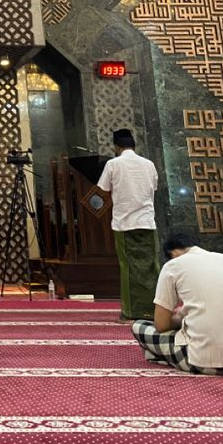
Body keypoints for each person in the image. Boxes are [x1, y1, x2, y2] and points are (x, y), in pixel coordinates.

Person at [132, 232, 223, 375]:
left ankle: (158, 356)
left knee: (139, 326)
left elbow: (161, 325)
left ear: (174, 252)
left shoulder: (172, 265)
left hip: (201, 362)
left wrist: (179, 319)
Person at [97, 128, 159, 320]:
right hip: (147, 222)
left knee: (128, 267)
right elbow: (153, 188)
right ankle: (155, 310)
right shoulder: (149, 164)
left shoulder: (113, 164)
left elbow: (103, 189)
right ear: (134, 145)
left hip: (124, 223)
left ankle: (131, 312)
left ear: (116, 146)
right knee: (150, 266)